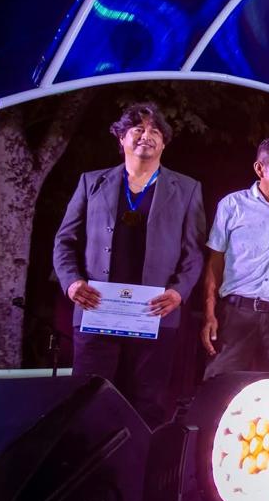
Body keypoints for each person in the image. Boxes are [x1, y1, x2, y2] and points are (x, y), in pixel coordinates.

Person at [54, 102, 206, 426]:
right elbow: (64, 241)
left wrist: (179, 292)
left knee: (147, 407)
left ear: (164, 142)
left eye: (155, 131)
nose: (146, 135)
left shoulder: (188, 189)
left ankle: (141, 461)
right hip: (97, 310)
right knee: (87, 402)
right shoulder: (91, 182)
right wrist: (72, 282)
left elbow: (193, 254)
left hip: (154, 314)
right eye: (137, 129)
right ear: (121, 138)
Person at [201, 137, 269, 389]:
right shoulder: (232, 205)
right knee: (219, 388)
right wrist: (209, 314)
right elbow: (215, 263)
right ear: (260, 168)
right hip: (237, 314)